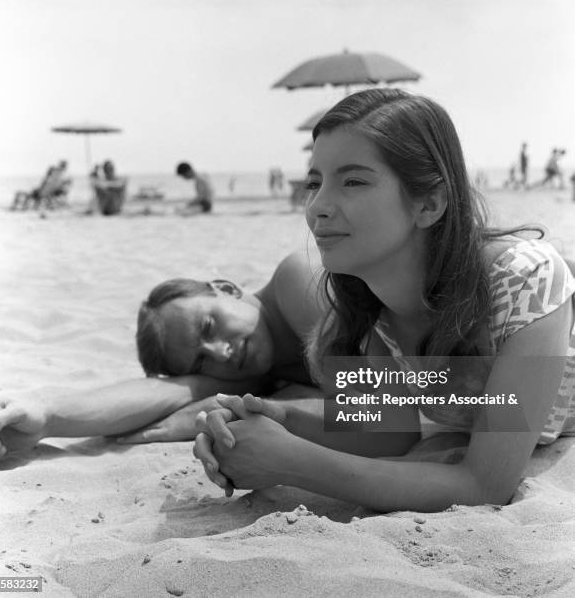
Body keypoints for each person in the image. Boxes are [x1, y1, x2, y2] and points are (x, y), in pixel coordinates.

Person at [193, 88, 575, 512]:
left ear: (429, 203)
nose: (318, 206)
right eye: (314, 183)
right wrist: (281, 419)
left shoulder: (524, 281)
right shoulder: (372, 309)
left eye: (353, 181)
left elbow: (485, 484)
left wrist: (290, 461)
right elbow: (393, 431)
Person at [0, 252, 324, 463]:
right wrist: (45, 415)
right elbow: (173, 392)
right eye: (202, 362)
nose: (221, 352)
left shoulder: (298, 279)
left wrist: (268, 406)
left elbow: (377, 406)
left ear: (228, 289)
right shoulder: (255, 369)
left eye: (208, 325)